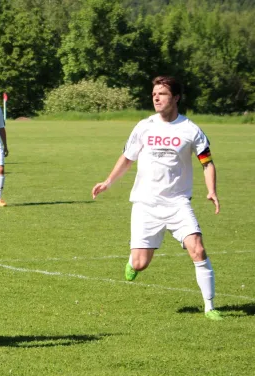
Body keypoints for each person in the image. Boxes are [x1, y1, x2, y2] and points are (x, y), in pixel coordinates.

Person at [91, 76, 222, 320]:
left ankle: (210, 307)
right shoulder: (144, 126)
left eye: (161, 94)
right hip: (145, 204)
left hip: (178, 203)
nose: (156, 98)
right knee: (141, 264)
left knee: (198, 250)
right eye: (154, 94)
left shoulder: (191, 130)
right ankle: (133, 261)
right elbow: (128, 158)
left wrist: (211, 190)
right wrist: (108, 181)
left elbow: (207, 163)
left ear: (176, 98)